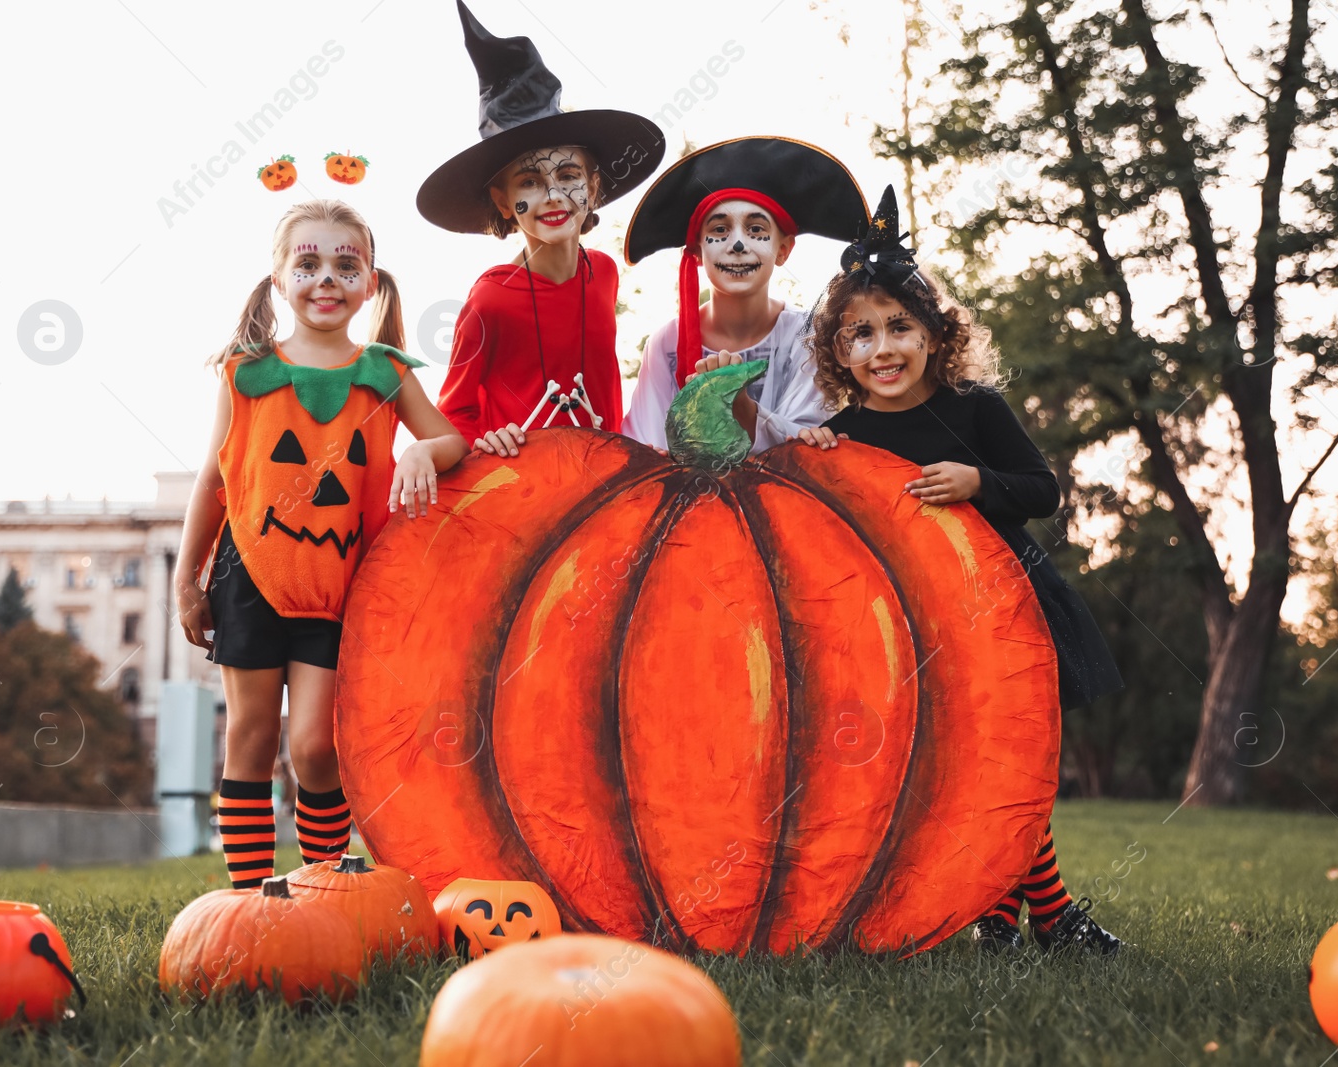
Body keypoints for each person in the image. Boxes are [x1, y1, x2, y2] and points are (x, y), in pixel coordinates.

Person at [799, 186, 1125, 955]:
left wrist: (980, 481)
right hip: (914, 623)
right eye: (860, 334)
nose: (882, 348)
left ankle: (1024, 916)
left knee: (1008, 755)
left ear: (935, 334)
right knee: (966, 764)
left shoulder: (975, 409)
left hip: (1006, 602)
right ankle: (1022, 916)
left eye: (899, 327)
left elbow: (1043, 490)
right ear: (837, 353)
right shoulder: (840, 435)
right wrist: (812, 463)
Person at [175, 199, 468, 888]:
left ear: (370, 282)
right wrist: (187, 580)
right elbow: (215, 480)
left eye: (345, 264)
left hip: (341, 586)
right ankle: (248, 897)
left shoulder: (385, 371)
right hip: (251, 576)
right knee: (250, 738)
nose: (326, 278)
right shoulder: (245, 373)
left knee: (314, 745)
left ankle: (322, 889)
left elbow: (451, 438)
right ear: (280, 278)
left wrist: (425, 451)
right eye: (307, 264)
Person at [419, 1, 665, 457]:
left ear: (593, 187)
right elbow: (454, 411)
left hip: (606, 487)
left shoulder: (605, 274)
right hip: (524, 501)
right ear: (503, 201)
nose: (552, 195)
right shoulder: (489, 301)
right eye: (529, 182)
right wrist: (483, 442)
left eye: (568, 175)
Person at [621, 136, 867, 452]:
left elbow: (811, 442)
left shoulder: (809, 335)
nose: (738, 245)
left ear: (783, 249)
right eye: (719, 230)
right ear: (696, 251)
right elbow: (644, 442)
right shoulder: (666, 343)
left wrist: (743, 409)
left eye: (756, 230)